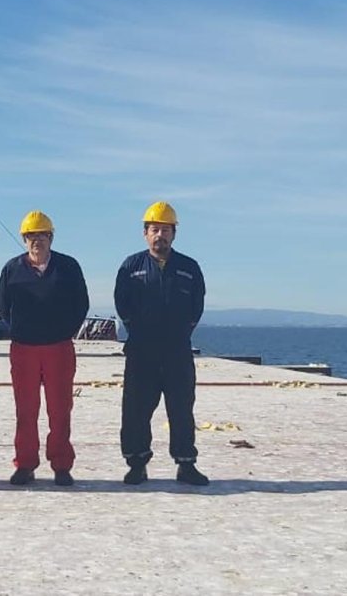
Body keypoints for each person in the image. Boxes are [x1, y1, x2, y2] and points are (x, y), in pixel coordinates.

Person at [115, 201, 209, 486]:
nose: (160, 236)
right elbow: (123, 304)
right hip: (141, 351)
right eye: (155, 229)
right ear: (145, 233)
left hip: (177, 352)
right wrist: (140, 331)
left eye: (166, 230)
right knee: (136, 410)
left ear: (174, 234)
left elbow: (196, 306)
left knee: (181, 408)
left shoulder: (189, 268)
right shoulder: (132, 266)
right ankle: (137, 463)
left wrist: (179, 333)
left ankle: (186, 464)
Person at [0, 210, 89, 486]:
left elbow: (80, 304)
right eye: (31, 236)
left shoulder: (68, 267)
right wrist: (21, 331)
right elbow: (4, 308)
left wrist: (64, 331)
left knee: (60, 408)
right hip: (24, 348)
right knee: (26, 409)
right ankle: (25, 464)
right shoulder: (12, 269)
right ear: (24, 240)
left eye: (42, 235)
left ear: (51, 238)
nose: (37, 241)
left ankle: (61, 465)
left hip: (58, 347)